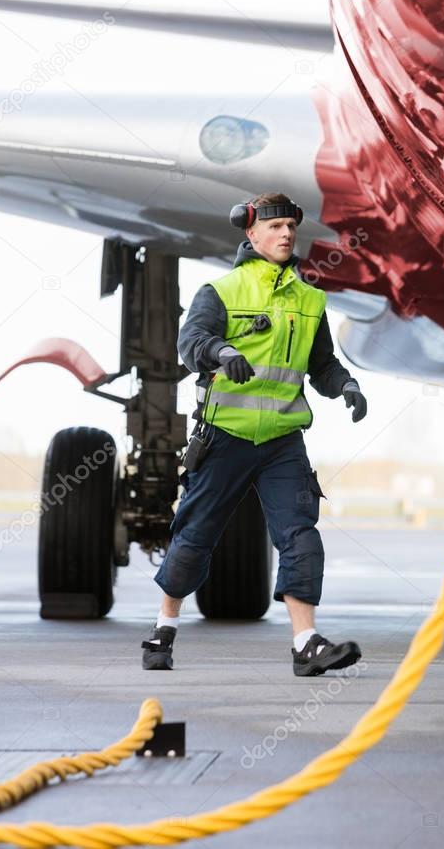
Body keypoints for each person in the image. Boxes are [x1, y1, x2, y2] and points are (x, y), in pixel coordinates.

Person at [142, 192, 368, 676]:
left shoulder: (310, 300)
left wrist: (345, 385)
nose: (286, 234)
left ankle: (306, 644)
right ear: (252, 234)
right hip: (226, 435)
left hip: (282, 441)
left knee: (300, 535)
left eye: (291, 226)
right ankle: (163, 628)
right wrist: (221, 353)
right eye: (275, 227)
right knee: (194, 536)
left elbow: (321, 363)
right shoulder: (221, 292)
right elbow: (191, 342)